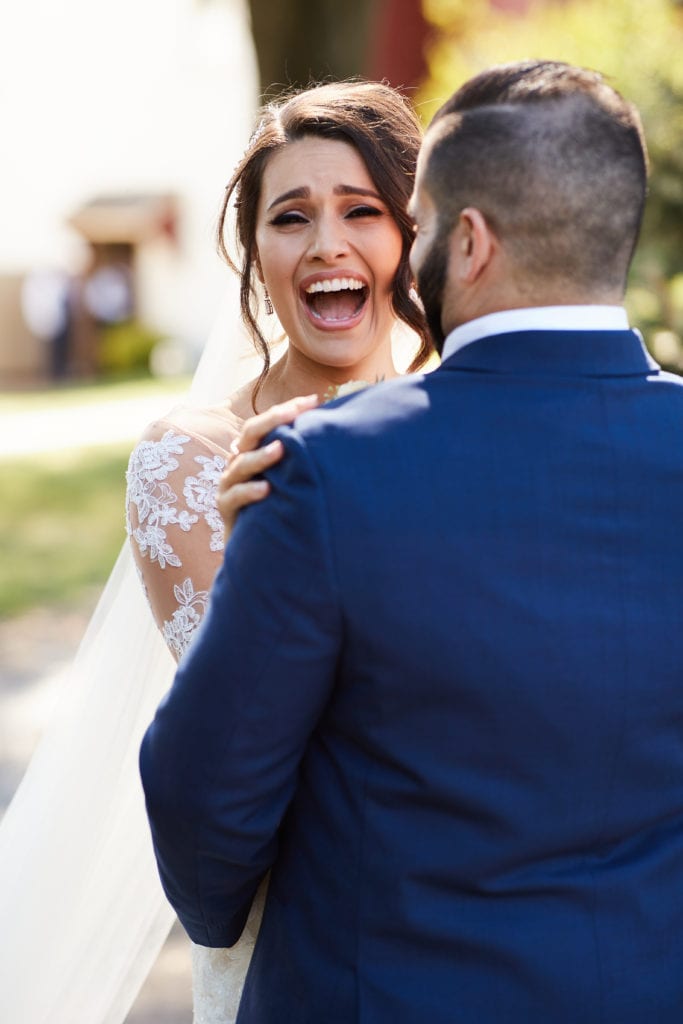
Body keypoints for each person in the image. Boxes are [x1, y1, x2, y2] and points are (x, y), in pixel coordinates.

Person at [140, 59, 683, 1023]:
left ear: (463, 243)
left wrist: (241, 921)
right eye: (293, 215)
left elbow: (203, 795)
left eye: (403, 220)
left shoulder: (320, 473)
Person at [126, 80, 431, 1021]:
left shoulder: (463, 431)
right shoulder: (192, 463)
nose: (327, 244)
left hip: (468, 926)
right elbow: (248, 743)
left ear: (412, 239)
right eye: (290, 217)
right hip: (299, 940)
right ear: (257, 256)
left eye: (362, 212)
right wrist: (254, 546)